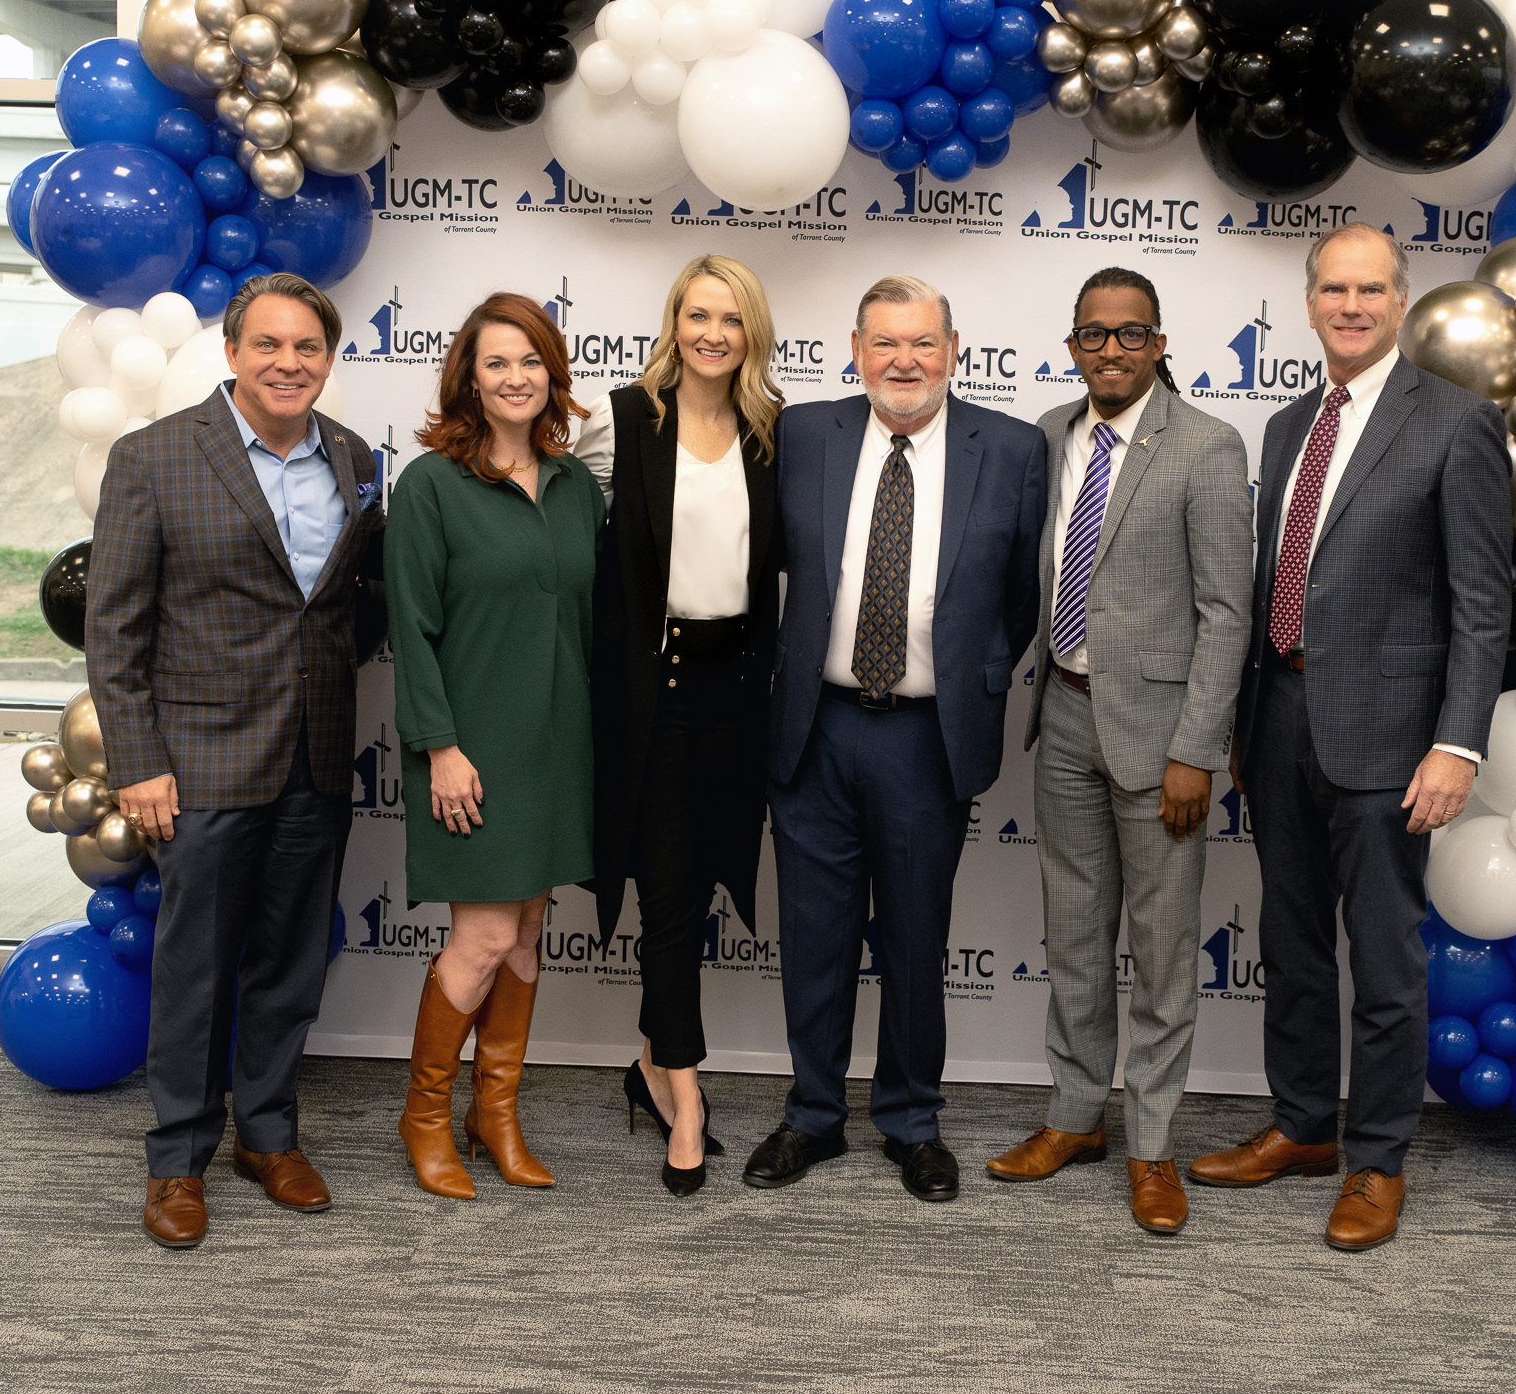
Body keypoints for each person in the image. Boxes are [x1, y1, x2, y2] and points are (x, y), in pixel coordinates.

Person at [1190, 224, 1511, 1250]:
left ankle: (1376, 1160)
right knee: (1290, 947)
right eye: (1334, 289)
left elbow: (1482, 603)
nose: (1351, 306)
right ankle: (1301, 1128)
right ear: (1310, 301)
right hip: (1279, 723)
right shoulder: (1288, 423)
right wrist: (1243, 724)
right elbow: (1274, 582)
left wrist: (1457, 744)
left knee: (1383, 962)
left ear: (1400, 301)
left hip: (1391, 741)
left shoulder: (1456, 421)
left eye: (1371, 289)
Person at [88, 272, 384, 1249]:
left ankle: (267, 1135)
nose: (288, 363)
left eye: (307, 347)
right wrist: (139, 761)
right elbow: (115, 631)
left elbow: (349, 606)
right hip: (201, 761)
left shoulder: (353, 458)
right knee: (196, 968)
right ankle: (177, 1158)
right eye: (269, 344)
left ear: (327, 359)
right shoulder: (154, 457)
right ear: (232, 352)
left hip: (317, 752)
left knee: (291, 962)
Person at [743, 275, 1047, 1203]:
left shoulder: (1012, 448)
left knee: (915, 941)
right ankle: (812, 1114)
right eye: (884, 343)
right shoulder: (802, 434)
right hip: (815, 726)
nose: (904, 361)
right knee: (814, 935)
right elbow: (762, 563)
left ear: (953, 350)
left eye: (922, 343)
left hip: (925, 736)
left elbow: (1019, 601)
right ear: (855, 350)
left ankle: (913, 1121)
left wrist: (961, 677)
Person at [984, 268, 1252, 1235]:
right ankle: (1074, 1117)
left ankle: (1152, 1145)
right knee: (1074, 937)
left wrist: (1197, 751)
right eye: (1093, 334)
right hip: (1063, 715)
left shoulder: (1208, 446)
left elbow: (1227, 613)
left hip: (1162, 740)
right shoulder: (1050, 434)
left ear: (1160, 344)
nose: (1111, 350)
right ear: (1072, 346)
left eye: (1130, 334)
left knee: (1165, 952)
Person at [384, 293, 601, 1201]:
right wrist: (439, 746)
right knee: (481, 936)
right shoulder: (431, 485)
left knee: (529, 933)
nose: (516, 378)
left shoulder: (577, 486)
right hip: (469, 749)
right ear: (469, 380)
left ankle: (496, 1114)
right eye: (497, 363)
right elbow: (410, 628)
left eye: (531, 361)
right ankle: (426, 1115)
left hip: (558, 747)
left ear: (553, 373)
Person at [574, 256, 782, 1196]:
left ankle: (651, 1063)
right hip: (648, 698)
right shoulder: (619, 421)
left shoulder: (770, 431)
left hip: (735, 694)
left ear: (751, 333)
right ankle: (686, 1103)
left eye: (731, 319)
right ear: (674, 322)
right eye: (698, 315)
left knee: (695, 893)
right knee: (664, 894)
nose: (713, 334)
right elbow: (567, 550)